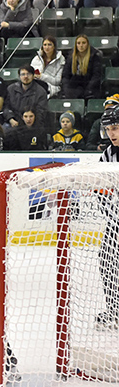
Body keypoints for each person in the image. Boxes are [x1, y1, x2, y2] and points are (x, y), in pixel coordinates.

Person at [96, 106, 119, 329]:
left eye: (115, 128)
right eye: (108, 129)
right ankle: (114, 310)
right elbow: (99, 189)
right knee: (106, 261)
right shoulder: (108, 154)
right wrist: (112, 216)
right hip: (116, 223)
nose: (111, 134)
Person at [4, 64, 50, 131]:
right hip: (14, 122)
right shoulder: (11, 89)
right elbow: (6, 107)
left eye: (28, 74)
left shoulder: (40, 92)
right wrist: (11, 119)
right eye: (23, 74)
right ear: (19, 76)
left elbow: (41, 113)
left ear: (33, 76)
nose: (26, 76)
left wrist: (27, 122)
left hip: (32, 124)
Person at [62, 34, 103, 100]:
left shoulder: (94, 56)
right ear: (76, 45)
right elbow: (65, 75)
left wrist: (88, 90)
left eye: (83, 43)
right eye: (78, 43)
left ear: (88, 44)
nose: (81, 45)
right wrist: (66, 89)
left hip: (89, 88)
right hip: (74, 88)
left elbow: (96, 76)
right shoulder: (70, 57)